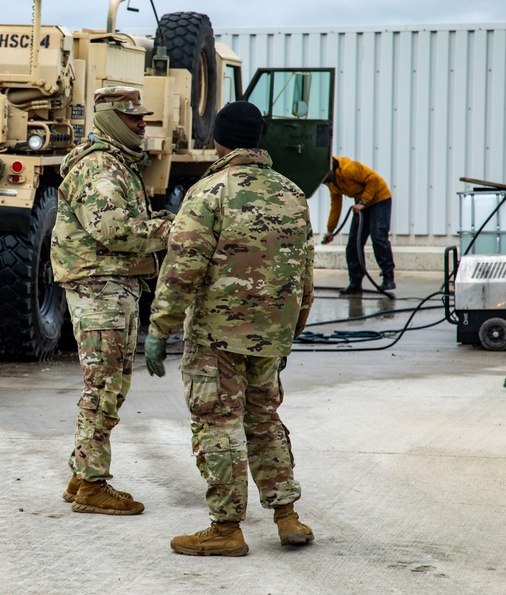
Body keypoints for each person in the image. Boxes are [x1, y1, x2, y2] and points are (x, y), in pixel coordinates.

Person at [145, 101, 314, 556]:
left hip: (217, 336)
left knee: (216, 424)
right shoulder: (292, 193)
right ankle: (287, 517)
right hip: (271, 334)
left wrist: (159, 329)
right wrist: (292, 328)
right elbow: (305, 269)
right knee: (264, 421)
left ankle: (226, 527)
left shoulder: (208, 193)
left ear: (218, 140)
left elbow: (183, 268)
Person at [50, 86, 173, 516]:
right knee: (103, 385)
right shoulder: (101, 168)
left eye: (141, 116)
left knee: (111, 383)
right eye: (133, 117)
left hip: (112, 286)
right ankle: (94, 486)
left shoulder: (118, 163)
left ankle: (82, 472)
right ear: (109, 120)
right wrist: (169, 232)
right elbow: (114, 232)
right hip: (100, 286)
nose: (142, 123)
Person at [320, 156, 395, 293]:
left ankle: (388, 278)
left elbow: (374, 180)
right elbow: (335, 206)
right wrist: (330, 230)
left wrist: (363, 202)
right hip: (362, 205)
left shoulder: (349, 169)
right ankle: (355, 282)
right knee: (353, 244)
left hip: (380, 199)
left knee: (378, 237)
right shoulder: (332, 183)